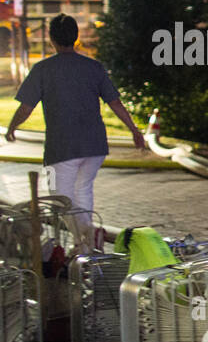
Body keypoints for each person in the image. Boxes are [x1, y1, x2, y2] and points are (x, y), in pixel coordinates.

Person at [5, 13, 146, 251]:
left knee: (60, 199)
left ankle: (88, 236)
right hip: (94, 146)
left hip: (62, 147)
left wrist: (12, 127)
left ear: (51, 39)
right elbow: (115, 103)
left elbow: (26, 106)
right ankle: (85, 248)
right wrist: (134, 130)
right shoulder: (94, 67)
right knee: (82, 192)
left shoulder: (43, 69)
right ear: (76, 37)